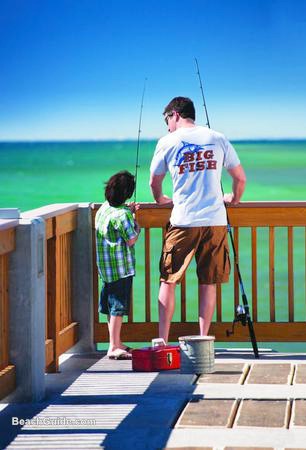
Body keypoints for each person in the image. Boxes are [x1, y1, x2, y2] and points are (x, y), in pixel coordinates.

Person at [149, 96, 246, 344]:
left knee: (168, 279)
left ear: (175, 115)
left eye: (166, 119)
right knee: (208, 281)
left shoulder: (167, 142)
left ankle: (162, 340)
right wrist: (234, 198)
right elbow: (240, 178)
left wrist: (160, 199)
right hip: (215, 220)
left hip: (183, 220)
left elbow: (154, 181)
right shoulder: (218, 138)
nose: (167, 125)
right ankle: (203, 339)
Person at [95, 170, 140, 359]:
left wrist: (128, 211)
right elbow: (131, 239)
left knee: (110, 305)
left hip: (106, 268)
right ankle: (113, 347)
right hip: (121, 269)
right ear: (127, 194)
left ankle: (115, 342)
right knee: (118, 308)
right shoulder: (123, 215)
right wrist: (138, 225)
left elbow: (116, 223)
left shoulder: (104, 209)